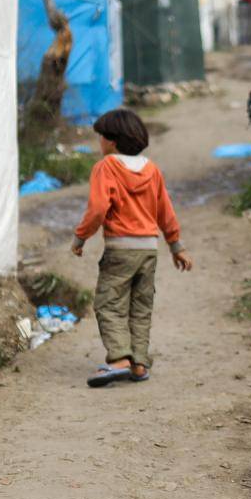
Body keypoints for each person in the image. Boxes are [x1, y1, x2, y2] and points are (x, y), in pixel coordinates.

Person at [71, 108, 192, 387]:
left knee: (109, 304)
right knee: (140, 307)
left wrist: (80, 237)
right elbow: (165, 211)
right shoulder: (152, 169)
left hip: (120, 249)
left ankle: (117, 360)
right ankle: (138, 363)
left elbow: (98, 208)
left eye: (100, 137)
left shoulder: (106, 167)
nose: (99, 143)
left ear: (111, 141)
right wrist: (176, 246)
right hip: (149, 250)